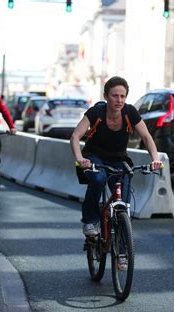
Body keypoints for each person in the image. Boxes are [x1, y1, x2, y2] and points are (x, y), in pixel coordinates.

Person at [70, 76, 163, 236]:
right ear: (106, 96)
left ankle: (121, 255)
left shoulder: (130, 112)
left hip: (119, 159)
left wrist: (155, 159)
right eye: (114, 95)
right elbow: (75, 137)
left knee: (123, 205)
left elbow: (147, 137)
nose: (119, 100)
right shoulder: (96, 112)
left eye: (122, 96)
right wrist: (80, 159)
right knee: (98, 180)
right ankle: (90, 221)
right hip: (94, 157)